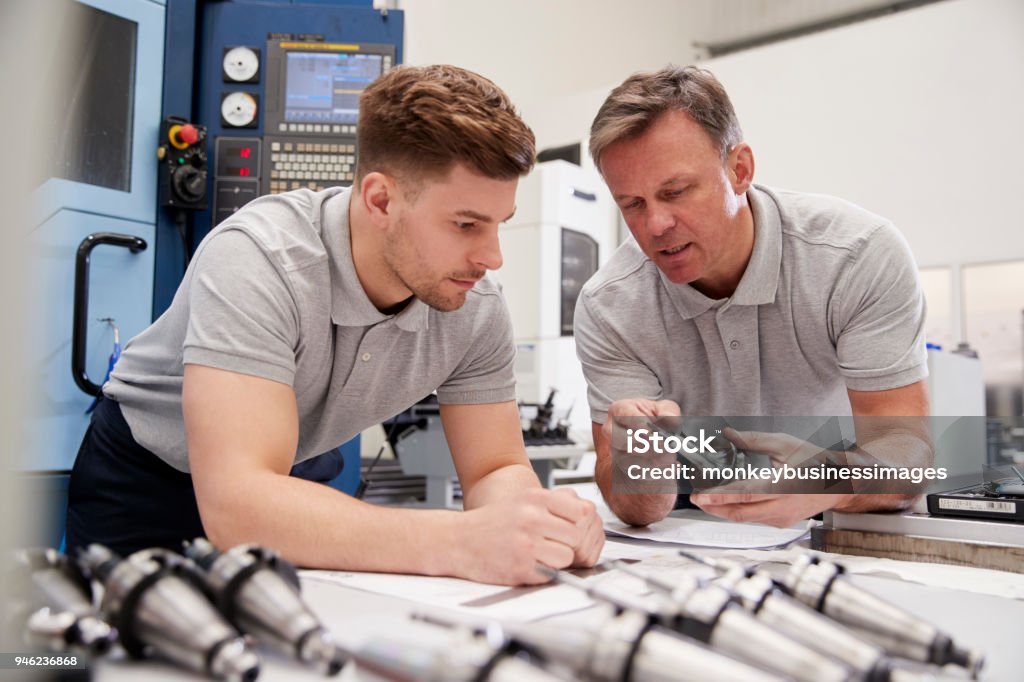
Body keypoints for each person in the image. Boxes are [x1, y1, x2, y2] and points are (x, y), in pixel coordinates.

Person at [66, 64, 604, 586]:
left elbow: (493, 469)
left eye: (498, 225)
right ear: (381, 200)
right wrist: (461, 540)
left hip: (282, 479)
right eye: (466, 224)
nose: (492, 257)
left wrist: (539, 525)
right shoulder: (260, 257)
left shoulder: (476, 306)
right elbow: (240, 508)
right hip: (149, 478)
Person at [575, 65, 932, 528]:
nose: (655, 225)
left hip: (843, 509)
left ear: (739, 170)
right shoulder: (610, 306)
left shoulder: (856, 256)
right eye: (632, 204)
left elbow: (908, 455)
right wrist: (642, 462)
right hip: (692, 529)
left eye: (676, 192)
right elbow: (635, 507)